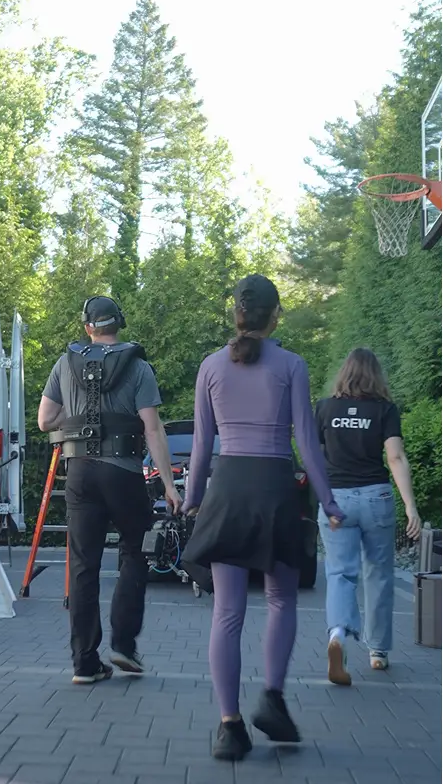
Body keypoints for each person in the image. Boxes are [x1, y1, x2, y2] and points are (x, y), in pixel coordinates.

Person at [181, 274, 344, 762]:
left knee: (227, 612)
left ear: (236, 315)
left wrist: (192, 498)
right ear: (276, 316)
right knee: (281, 600)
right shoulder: (293, 365)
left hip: (228, 490)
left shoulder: (210, 366)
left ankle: (229, 728)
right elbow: (307, 444)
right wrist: (330, 504)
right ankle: (272, 699)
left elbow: (202, 445)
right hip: (275, 490)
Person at [38, 296, 181, 683]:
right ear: (120, 324)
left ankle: (84, 663)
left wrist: (82, 420)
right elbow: (152, 429)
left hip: (80, 474)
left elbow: (43, 420)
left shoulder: (64, 364)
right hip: (123, 473)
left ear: (87, 327)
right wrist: (169, 485)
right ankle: (123, 645)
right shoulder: (138, 367)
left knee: (84, 565)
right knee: (136, 550)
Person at [315, 347, 421, 686]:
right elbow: (396, 458)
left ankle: (337, 636)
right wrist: (410, 506)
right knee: (379, 576)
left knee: (340, 574)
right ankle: (378, 652)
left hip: (337, 500)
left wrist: (321, 500)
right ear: (377, 375)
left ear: (344, 372)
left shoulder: (325, 408)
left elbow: (316, 461)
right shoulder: (384, 410)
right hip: (375, 497)